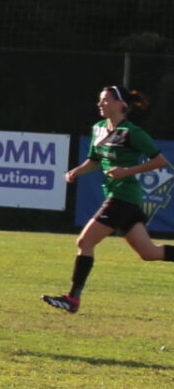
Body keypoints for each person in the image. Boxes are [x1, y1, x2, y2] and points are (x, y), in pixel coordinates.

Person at [44, 85, 169, 313]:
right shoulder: (99, 128)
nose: (100, 104)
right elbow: (94, 161)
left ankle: (73, 299)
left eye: (106, 100)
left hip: (123, 197)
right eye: (100, 101)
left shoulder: (132, 132)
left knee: (85, 242)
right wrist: (76, 172)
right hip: (120, 198)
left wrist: (126, 171)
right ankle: (73, 299)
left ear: (120, 104)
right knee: (149, 253)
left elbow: (161, 162)